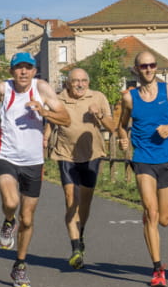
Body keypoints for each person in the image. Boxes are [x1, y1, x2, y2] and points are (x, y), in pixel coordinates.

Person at [0, 52, 70, 287]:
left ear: (34, 71)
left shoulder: (43, 89)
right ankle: (8, 221)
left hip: (34, 161)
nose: (23, 72)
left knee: (27, 219)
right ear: (11, 71)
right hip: (6, 155)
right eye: (18, 68)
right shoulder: (3, 89)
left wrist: (44, 111)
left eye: (28, 68)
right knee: (11, 202)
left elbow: (66, 119)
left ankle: (19, 265)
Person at [118, 51, 168, 287]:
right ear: (136, 69)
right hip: (143, 159)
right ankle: (157, 268)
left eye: (152, 65)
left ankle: (151, 219)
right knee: (151, 213)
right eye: (143, 66)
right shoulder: (129, 98)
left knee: (165, 219)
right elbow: (121, 126)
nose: (148, 69)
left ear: (156, 68)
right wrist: (123, 139)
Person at [45, 68, 116, 269]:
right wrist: (45, 137)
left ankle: (81, 232)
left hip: (91, 154)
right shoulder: (58, 98)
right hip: (65, 154)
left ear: (88, 82)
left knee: (85, 202)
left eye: (84, 80)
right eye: (75, 81)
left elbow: (112, 127)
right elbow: (51, 120)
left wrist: (99, 114)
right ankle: (75, 248)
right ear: (68, 83)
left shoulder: (98, 97)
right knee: (71, 200)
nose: (80, 84)